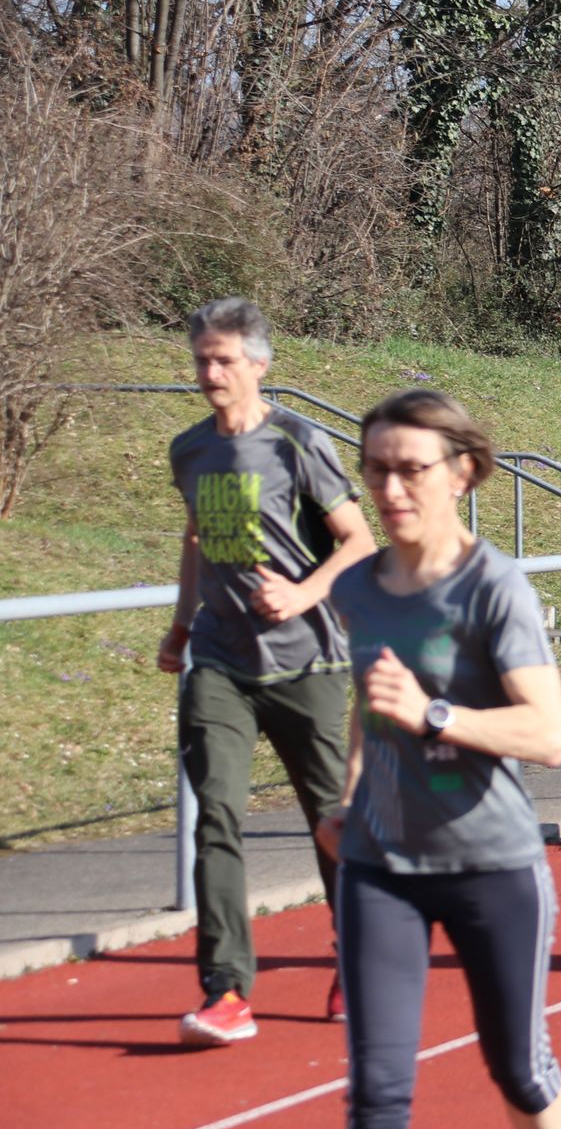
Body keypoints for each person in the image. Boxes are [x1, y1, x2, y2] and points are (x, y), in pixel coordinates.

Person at [315, 389, 561, 1129]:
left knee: (517, 1069)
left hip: (491, 865)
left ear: (462, 472)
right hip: (381, 868)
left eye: (410, 469)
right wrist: (349, 798)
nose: (390, 488)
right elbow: (365, 703)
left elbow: (547, 735)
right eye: (376, 469)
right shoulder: (359, 588)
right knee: (377, 1089)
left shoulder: (493, 587)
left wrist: (435, 715)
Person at [159, 296, 374, 1044]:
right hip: (220, 662)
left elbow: (358, 542)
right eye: (201, 360)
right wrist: (181, 627)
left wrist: (303, 593)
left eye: (223, 360)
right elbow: (195, 539)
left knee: (331, 823)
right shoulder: (190, 450)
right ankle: (226, 990)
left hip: (307, 662)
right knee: (215, 816)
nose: (210, 373)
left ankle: (356, 960)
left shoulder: (297, 441)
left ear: (258, 363)